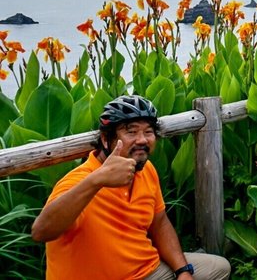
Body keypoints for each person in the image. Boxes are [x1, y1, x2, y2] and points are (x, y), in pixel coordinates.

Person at [31, 95, 231, 279]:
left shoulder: (146, 169)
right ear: (105, 140)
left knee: (219, 268)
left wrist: (183, 271)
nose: (142, 140)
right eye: (131, 131)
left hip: (144, 270)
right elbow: (41, 232)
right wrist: (97, 180)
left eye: (148, 132)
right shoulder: (79, 181)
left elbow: (159, 223)